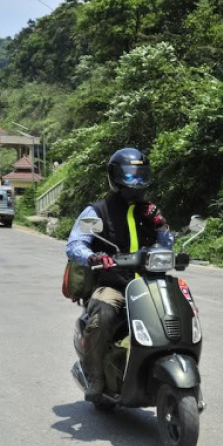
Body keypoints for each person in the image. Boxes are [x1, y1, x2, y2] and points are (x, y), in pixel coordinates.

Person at [66, 148, 173, 401]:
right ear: (115, 177)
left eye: (140, 175)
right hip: (113, 284)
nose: (135, 182)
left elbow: (167, 247)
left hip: (150, 284)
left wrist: (162, 226)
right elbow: (74, 244)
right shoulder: (98, 211)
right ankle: (94, 375)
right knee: (101, 316)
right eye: (129, 176)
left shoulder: (150, 212)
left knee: (179, 310)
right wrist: (92, 257)